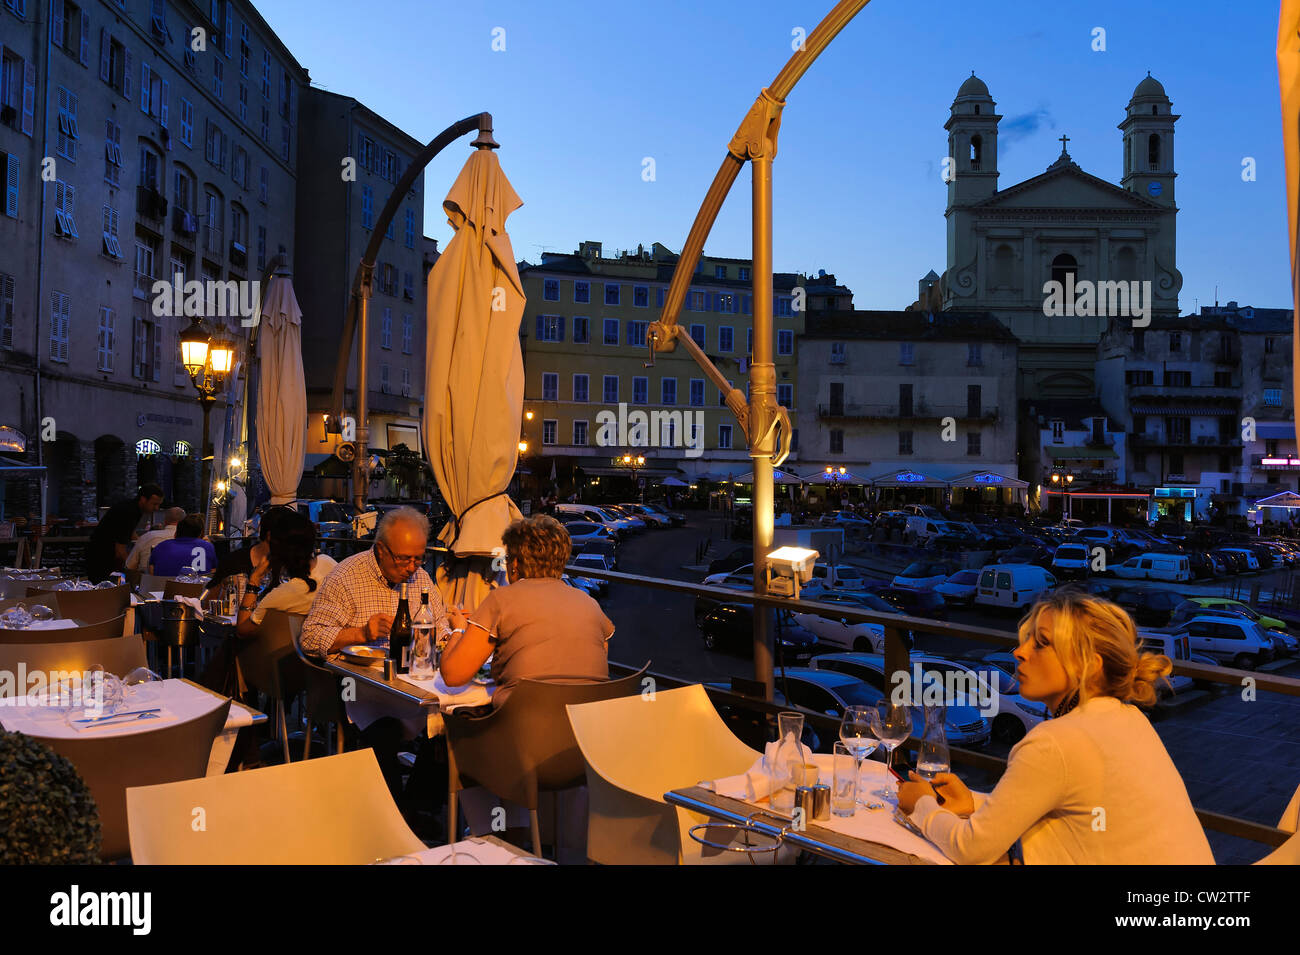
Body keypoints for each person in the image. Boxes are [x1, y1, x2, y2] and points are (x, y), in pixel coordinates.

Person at [897, 591, 1214, 864]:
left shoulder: (1056, 741)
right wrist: (975, 802)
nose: (1019, 652)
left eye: (1041, 644)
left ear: (1088, 663)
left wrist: (922, 805)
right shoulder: (1129, 719)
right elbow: (1079, 808)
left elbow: (971, 850)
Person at [441, 515, 613, 708]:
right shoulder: (590, 603)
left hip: (523, 729)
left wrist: (458, 629)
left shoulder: (501, 600)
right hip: (585, 729)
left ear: (515, 565)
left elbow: (452, 675)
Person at [234, 511, 338, 637]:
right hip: (332, 643)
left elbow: (243, 629)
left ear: (276, 550)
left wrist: (254, 580)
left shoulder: (281, 595)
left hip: (284, 654)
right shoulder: (328, 562)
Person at [202, 505, 293, 606]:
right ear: (270, 535)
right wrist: (226, 588)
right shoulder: (234, 561)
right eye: (289, 536)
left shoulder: (291, 564)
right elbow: (208, 602)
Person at [85, 483, 164, 582]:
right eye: (154, 504)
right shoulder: (129, 512)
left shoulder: (134, 508)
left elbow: (131, 533)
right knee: (104, 590)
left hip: (100, 553)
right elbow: (120, 550)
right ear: (143, 499)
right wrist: (133, 569)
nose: (156, 508)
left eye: (158, 505)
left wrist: (142, 545)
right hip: (100, 556)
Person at [149, 514, 216, 577]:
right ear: (200, 534)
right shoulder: (208, 547)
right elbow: (214, 572)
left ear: (176, 533)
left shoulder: (160, 547)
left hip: (163, 588)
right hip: (197, 588)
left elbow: (151, 575)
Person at [124, 506, 186, 572]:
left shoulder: (148, 536)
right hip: (179, 579)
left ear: (165, 520)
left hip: (148, 579)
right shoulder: (189, 541)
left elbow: (130, 566)